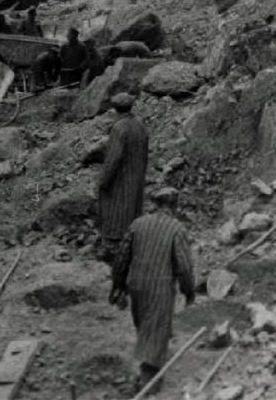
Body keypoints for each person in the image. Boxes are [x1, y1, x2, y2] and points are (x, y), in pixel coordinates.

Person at [110, 187, 195, 395]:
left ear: (155, 204)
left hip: (136, 285)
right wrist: (188, 290)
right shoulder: (176, 229)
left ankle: (143, 375)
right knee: (156, 332)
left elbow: (121, 257)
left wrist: (118, 285)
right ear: (173, 206)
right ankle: (149, 385)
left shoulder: (137, 224)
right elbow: (184, 266)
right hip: (160, 287)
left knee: (145, 327)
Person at [97, 93, 149, 262]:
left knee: (116, 214)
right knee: (133, 210)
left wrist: (104, 181)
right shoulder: (139, 125)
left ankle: (113, 250)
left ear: (115, 109)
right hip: (137, 176)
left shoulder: (119, 128)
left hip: (121, 178)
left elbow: (113, 158)